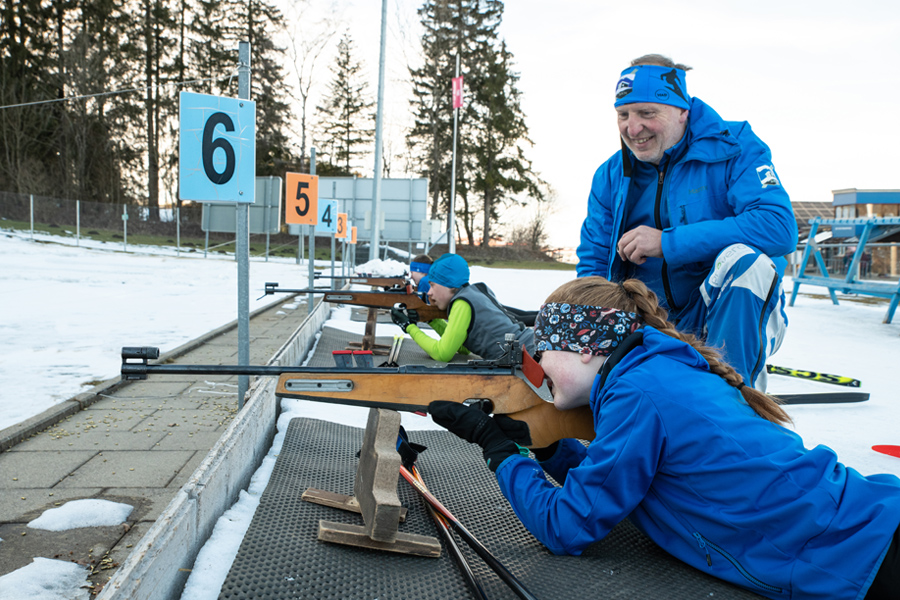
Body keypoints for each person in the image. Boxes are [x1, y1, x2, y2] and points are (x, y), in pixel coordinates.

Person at [430, 276, 900, 600]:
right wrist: (551, 450)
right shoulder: (655, 371)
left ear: (587, 346)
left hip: (859, 554)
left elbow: (566, 526)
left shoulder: (636, 393)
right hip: (867, 520)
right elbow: (624, 481)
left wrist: (500, 453)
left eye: (543, 352)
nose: (536, 368)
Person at [576, 54, 798, 390]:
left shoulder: (736, 148)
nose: (632, 128)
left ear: (683, 110)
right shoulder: (610, 174)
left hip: (720, 316)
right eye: (623, 115)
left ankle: (734, 403)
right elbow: (593, 262)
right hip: (650, 323)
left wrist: (668, 243)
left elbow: (778, 227)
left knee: (746, 261)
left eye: (647, 113)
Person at [390, 253, 534, 361]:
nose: (429, 292)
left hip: (532, 356)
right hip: (530, 350)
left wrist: (409, 327)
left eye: (433, 285)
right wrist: (432, 320)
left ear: (449, 284)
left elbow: (442, 354)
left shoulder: (462, 303)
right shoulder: (473, 293)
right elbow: (463, 348)